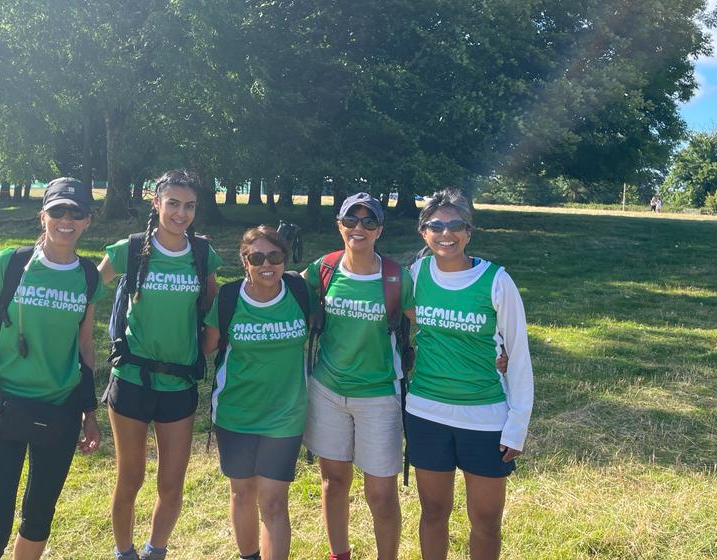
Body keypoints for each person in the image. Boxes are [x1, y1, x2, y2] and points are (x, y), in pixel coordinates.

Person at [0, 177, 105, 560]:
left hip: (62, 411)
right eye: (58, 211)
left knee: (38, 520)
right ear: (43, 216)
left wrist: (90, 412)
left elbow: (85, 346)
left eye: (77, 213)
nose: (66, 220)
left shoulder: (88, 276)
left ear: (88, 221)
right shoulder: (11, 264)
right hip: (4, 408)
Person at [97, 170, 222, 560]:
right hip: (131, 379)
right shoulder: (129, 250)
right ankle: (124, 553)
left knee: (171, 484)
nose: (181, 214)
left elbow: (214, 309)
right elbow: (85, 289)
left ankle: (156, 551)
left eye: (189, 206)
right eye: (173, 204)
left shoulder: (203, 255)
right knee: (129, 478)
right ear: (156, 202)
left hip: (179, 385)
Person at [405, 188, 533, 560]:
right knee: (432, 512)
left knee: (487, 519)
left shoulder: (497, 281)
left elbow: (519, 356)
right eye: (436, 226)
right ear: (423, 233)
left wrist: (517, 424)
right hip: (426, 414)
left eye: (456, 225)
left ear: (469, 232)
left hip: (486, 417)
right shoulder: (416, 274)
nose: (446, 234)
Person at [302, 193, 415, 560]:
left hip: (380, 395)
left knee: (381, 494)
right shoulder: (324, 269)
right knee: (333, 481)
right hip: (327, 391)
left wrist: (491, 353)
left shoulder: (397, 277)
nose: (358, 228)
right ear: (340, 225)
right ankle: (339, 554)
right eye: (351, 221)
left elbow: (428, 329)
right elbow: (280, 296)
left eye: (368, 222)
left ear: (379, 229)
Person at [201, 226, 310, 560]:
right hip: (236, 413)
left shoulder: (299, 291)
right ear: (244, 261)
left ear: (284, 259)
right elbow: (206, 348)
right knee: (242, 494)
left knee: (275, 501)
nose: (267, 264)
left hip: (286, 415)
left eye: (274, 256)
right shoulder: (229, 298)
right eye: (257, 257)